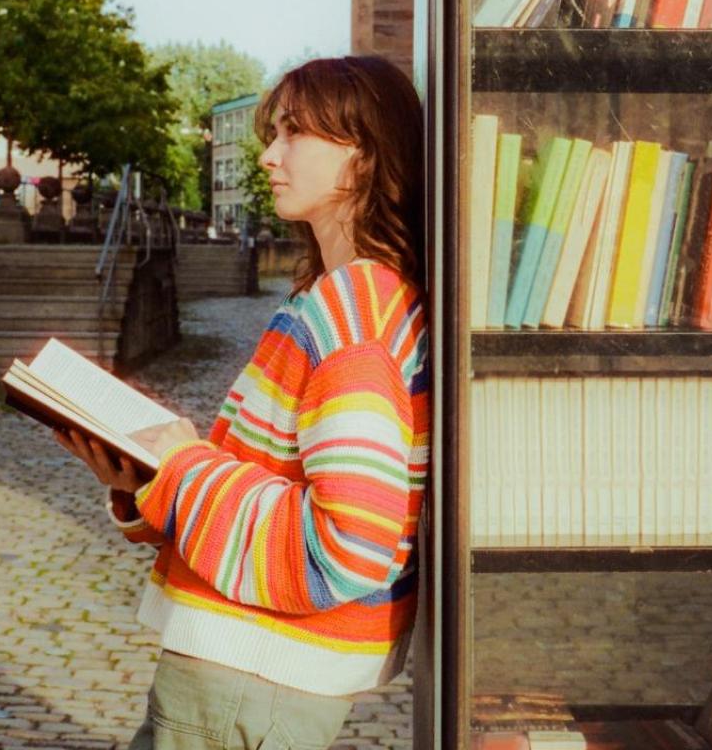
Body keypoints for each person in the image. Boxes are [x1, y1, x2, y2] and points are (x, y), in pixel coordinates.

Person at [53, 55, 431, 750]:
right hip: (255, 670)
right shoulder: (359, 299)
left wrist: (184, 467)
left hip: (251, 672)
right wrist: (146, 480)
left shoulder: (355, 313)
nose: (267, 155)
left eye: (294, 133)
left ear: (364, 157)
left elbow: (348, 547)